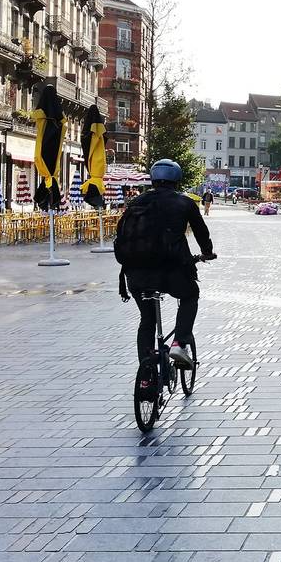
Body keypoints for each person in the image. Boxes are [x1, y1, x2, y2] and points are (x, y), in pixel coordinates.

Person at [116, 159, 217, 392]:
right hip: (172, 270)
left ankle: (146, 373)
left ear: (153, 179)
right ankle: (180, 342)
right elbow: (201, 232)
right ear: (176, 180)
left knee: (147, 320)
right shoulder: (184, 202)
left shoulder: (136, 203)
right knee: (191, 295)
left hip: (136, 273)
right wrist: (207, 253)